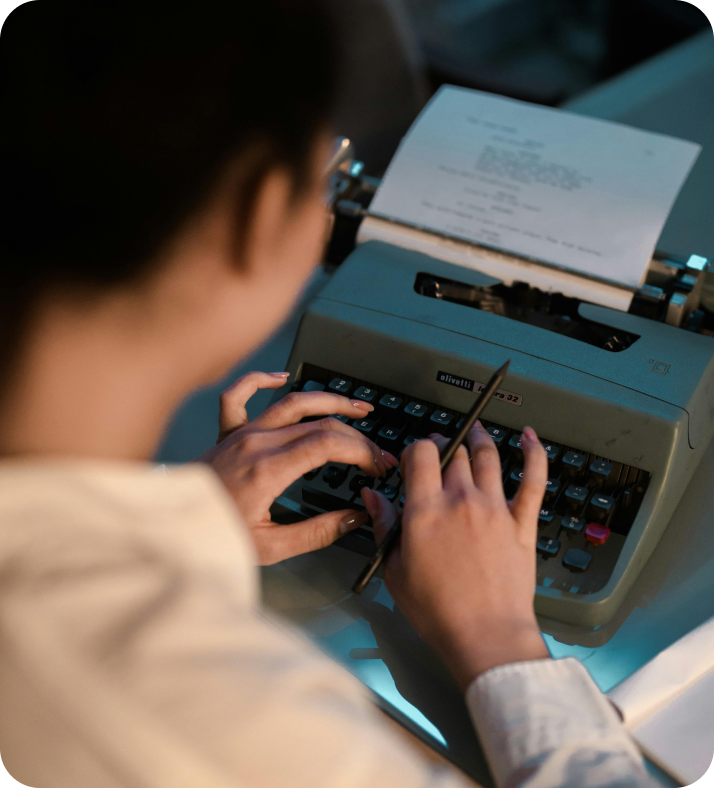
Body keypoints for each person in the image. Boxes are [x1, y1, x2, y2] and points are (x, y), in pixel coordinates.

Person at [0, 2, 655, 787]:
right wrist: (498, 637)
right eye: (325, 177)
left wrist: (183, 524)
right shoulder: (248, 729)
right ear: (254, 215)